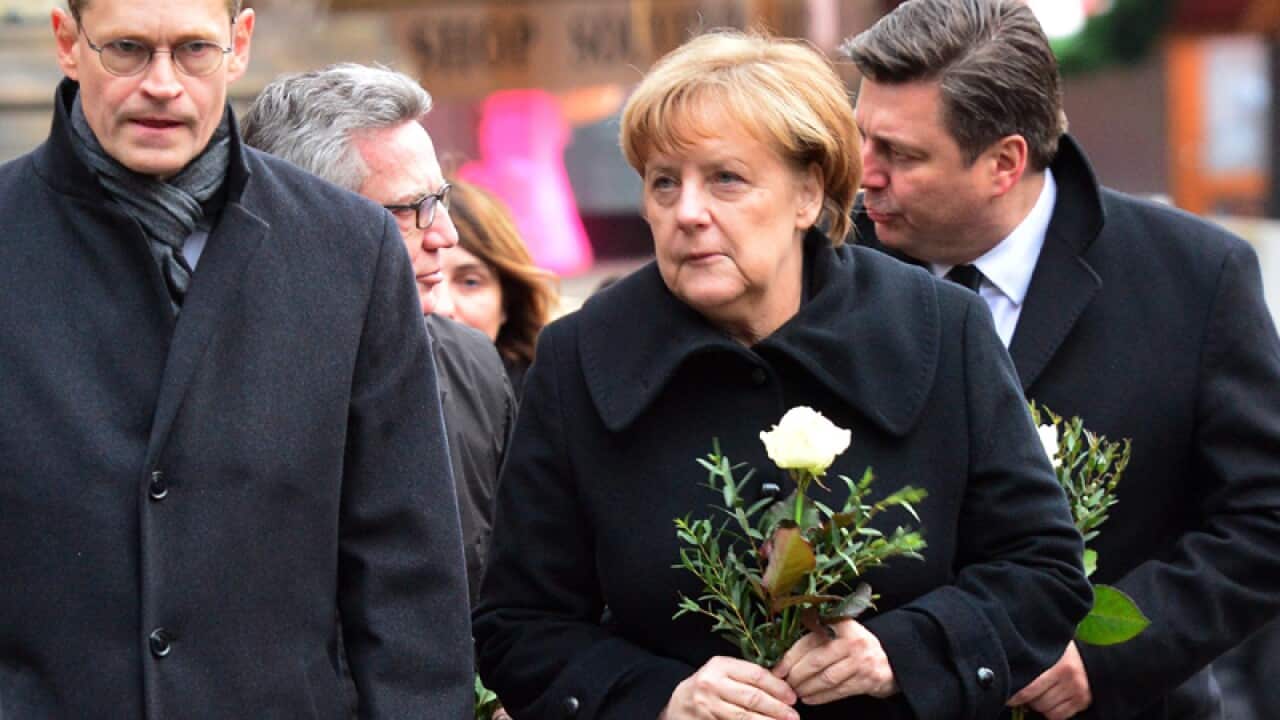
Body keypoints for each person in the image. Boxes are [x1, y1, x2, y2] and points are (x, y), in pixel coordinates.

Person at [473, 29, 1091, 720]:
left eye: (726, 179)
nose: (688, 213)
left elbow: (1042, 572)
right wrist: (660, 699)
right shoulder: (582, 357)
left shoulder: (941, 329)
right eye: (664, 182)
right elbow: (518, 624)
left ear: (809, 194)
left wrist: (902, 652)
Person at [0, 1, 473, 717]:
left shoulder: (349, 249)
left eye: (193, 49)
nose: (162, 83)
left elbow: (407, 578)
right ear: (68, 44)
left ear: (240, 44)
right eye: (127, 48)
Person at [842, 1, 1280, 719]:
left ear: (1004, 163)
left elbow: (1265, 519)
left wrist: (1108, 654)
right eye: (862, 138)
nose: (865, 174)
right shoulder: (828, 266)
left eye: (902, 154)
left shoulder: (1196, 278)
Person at [242, 63, 516, 603]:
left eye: (440, 200)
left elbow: (512, 600)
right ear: (301, 219)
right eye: (408, 211)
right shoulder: (208, 383)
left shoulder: (474, 364)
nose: (446, 234)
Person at [437, 178, 557, 395]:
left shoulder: (553, 407)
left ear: (507, 301)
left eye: (470, 282)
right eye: (422, 280)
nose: (443, 306)